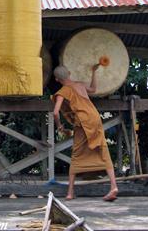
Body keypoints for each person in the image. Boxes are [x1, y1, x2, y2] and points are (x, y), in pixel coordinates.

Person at [52, 64, 118, 201]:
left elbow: (56, 113)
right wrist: (94, 72)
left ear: (57, 79)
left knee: (76, 153)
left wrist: (60, 127)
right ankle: (113, 186)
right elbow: (93, 89)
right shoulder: (80, 85)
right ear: (69, 73)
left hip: (83, 121)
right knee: (102, 149)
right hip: (94, 117)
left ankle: (70, 193)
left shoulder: (63, 91)